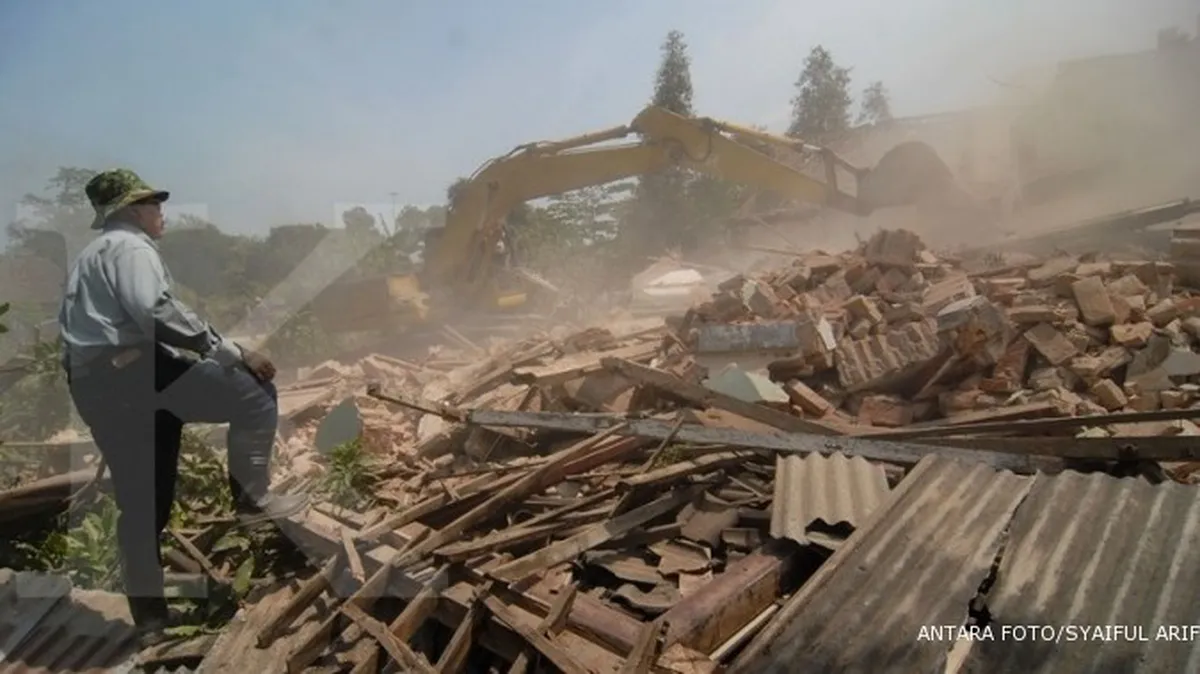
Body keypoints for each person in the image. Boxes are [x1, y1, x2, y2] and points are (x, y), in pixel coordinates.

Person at [58, 168, 309, 645]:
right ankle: (252, 500)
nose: (161, 213)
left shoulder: (91, 255)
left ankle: (151, 624)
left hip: (98, 383)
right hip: (135, 374)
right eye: (154, 205)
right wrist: (235, 352)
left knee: (142, 504)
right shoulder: (130, 248)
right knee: (254, 393)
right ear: (134, 210)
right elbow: (153, 311)